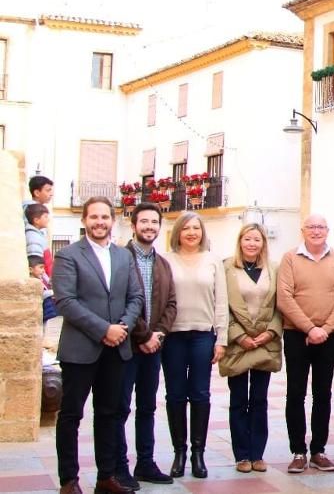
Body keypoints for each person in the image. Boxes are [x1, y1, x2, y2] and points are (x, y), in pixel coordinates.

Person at [52, 196, 143, 494]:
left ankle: (106, 477)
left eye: (105, 217)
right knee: (71, 416)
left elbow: (135, 298)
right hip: (80, 350)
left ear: (112, 220)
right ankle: (69, 480)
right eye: (94, 217)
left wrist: (123, 328)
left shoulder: (122, 256)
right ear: (84, 221)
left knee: (109, 413)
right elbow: (65, 301)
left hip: (116, 349)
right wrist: (104, 329)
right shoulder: (68, 256)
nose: (99, 222)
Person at [276, 214, 334, 474]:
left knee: (323, 394)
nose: (316, 231)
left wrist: (325, 329)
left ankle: (318, 450)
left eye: (321, 227)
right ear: (303, 230)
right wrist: (309, 328)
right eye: (311, 227)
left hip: (329, 336)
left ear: (328, 230)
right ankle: (298, 451)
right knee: (296, 394)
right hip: (297, 335)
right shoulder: (289, 258)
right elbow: (284, 298)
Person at [116, 203, 177, 488]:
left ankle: (146, 462)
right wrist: (144, 336)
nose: (149, 226)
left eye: (154, 222)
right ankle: (119, 466)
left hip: (154, 348)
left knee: (148, 407)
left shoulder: (163, 263)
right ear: (134, 225)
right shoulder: (120, 258)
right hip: (126, 347)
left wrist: (159, 335)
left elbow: (171, 304)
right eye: (144, 222)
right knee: (119, 407)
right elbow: (120, 304)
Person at [162, 212, 228, 479]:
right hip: (173, 336)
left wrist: (221, 339)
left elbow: (220, 301)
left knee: (200, 394)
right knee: (175, 395)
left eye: (196, 228)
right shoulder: (165, 260)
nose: (191, 233)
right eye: (186, 228)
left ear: (202, 232)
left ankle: (198, 453)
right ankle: (179, 452)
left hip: (203, 335)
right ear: (178, 232)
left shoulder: (213, 261)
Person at [219, 223, 282, 473]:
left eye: (257, 239)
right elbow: (221, 304)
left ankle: (257, 454)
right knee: (238, 400)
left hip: (265, 343)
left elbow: (281, 304)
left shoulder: (274, 269)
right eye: (248, 239)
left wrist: (270, 332)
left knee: (259, 400)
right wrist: (238, 335)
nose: (252, 244)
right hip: (238, 343)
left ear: (263, 243)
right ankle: (241, 455)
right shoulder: (226, 268)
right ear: (240, 241)